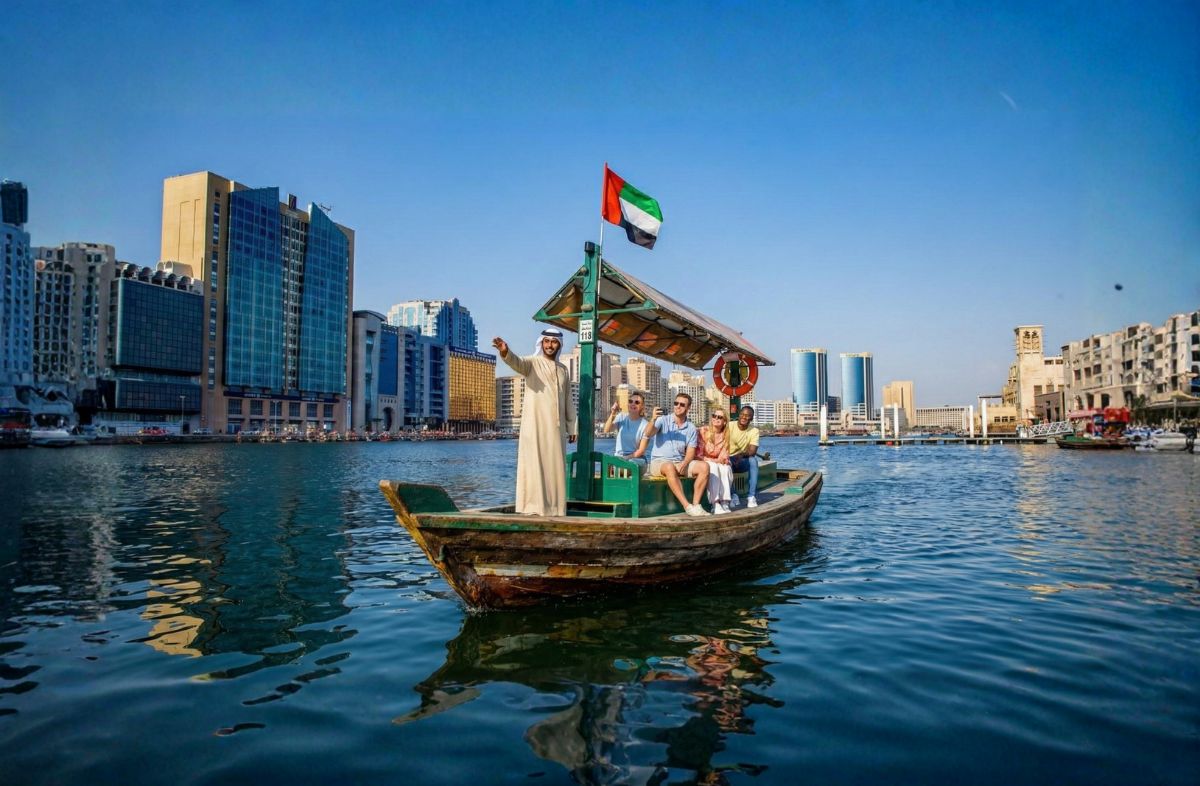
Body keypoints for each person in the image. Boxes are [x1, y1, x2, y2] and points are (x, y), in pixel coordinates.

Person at [492, 328, 577, 516]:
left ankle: (555, 509)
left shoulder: (563, 370)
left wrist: (572, 426)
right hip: (535, 427)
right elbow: (517, 363)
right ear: (541, 343)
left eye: (553, 342)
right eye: (546, 341)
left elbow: (568, 400)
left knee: (555, 468)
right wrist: (505, 351)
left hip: (556, 429)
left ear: (559, 345)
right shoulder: (532, 363)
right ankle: (533, 509)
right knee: (535, 465)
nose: (549, 345)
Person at [643, 392, 711, 516]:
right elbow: (648, 433)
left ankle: (696, 505)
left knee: (704, 467)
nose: (678, 406)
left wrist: (684, 463)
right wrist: (653, 419)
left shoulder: (690, 428)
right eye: (676, 403)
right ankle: (687, 506)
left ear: (688, 408)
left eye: (682, 404)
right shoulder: (662, 420)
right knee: (669, 466)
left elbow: (691, 452)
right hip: (659, 462)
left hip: (679, 462)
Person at [698, 410, 733, 514]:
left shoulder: (726, 435)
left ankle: (725, 502)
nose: (716, 419)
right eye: (714, 416)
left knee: (726, 468)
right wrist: (714, 460)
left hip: (717, 462)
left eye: (720, 417)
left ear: (725, 422)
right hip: (702, 461)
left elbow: (724, 457)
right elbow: (699, 455)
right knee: (713, 467)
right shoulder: (703, 431)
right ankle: (715, 503)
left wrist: (719, 461)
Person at [601, 391, 649, 465]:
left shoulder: (645, 425)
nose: (633, 404)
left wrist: (625, 459)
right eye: (630, 401)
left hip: (636, 459)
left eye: (637, 402)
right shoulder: (621, 417)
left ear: (642, 406)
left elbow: (641, 451)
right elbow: (606, 430)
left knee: (628, 466)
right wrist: (613, 413)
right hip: (619, 457)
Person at [727, 405, 760, 508]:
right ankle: (734, 495)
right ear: (739, 415)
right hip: (728, 458)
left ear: (752, 418)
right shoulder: (729, 426)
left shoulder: (754, 431)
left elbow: (752, 451)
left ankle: (751, 497)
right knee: (726, 463)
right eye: (743, 414)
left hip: (742, 460)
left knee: (753, 461)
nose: (744, 417)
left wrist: (741, 455)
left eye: (748, 415)